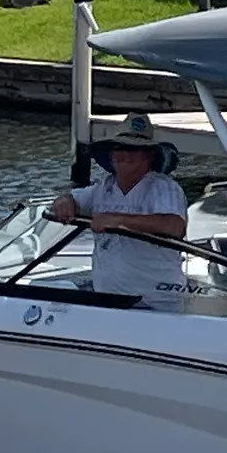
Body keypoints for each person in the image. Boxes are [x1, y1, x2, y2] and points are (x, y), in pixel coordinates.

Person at [48, 114, 190, 308]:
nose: (126, 154)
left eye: (134, 149)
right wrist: (64, 202)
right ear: (111, 154)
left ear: (149, 156)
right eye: (120, 148)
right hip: (109, 301)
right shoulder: (102, 188)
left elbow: (174, 226)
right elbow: (70, 198)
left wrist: (117, 220)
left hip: (156, 303)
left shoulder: (164, 187)